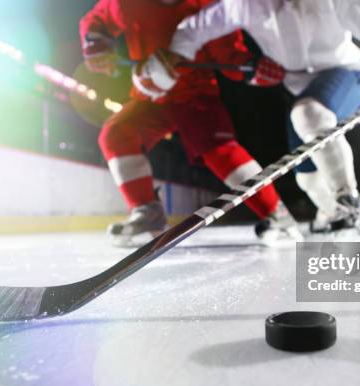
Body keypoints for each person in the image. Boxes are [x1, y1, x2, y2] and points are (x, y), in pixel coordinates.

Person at [136, 0, 360, 233]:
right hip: (296, 86)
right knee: (307, 177)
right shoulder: (244, 3)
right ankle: (331, 209)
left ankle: (349, 202)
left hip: (342, 73)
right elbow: (195, 28)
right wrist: (174, 56)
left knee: (309, 114)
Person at [80, 0, 302, 245]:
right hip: (150, 96)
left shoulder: (206, 4)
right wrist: (95, 42)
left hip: (196, 95)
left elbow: (229, 54)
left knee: (221, 152)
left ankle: (277, 213)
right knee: (116, 134)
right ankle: (147, 211)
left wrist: (250, 67)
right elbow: (97, 21)